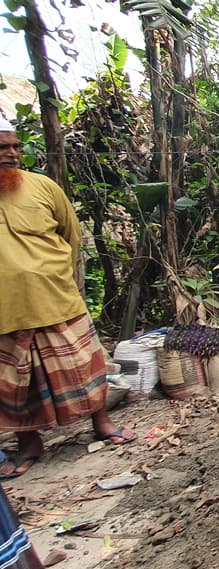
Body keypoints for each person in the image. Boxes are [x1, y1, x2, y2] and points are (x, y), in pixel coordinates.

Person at [0, 118, 135, 480]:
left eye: (14, 146)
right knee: (14, 384)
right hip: (6, 313)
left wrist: (53, 273)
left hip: (55, 300)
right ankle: (29, 444)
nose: (11, 154)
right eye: (2, 148)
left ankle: (102, 424)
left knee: (82, 368)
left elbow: (70, 234)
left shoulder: (42, 187)